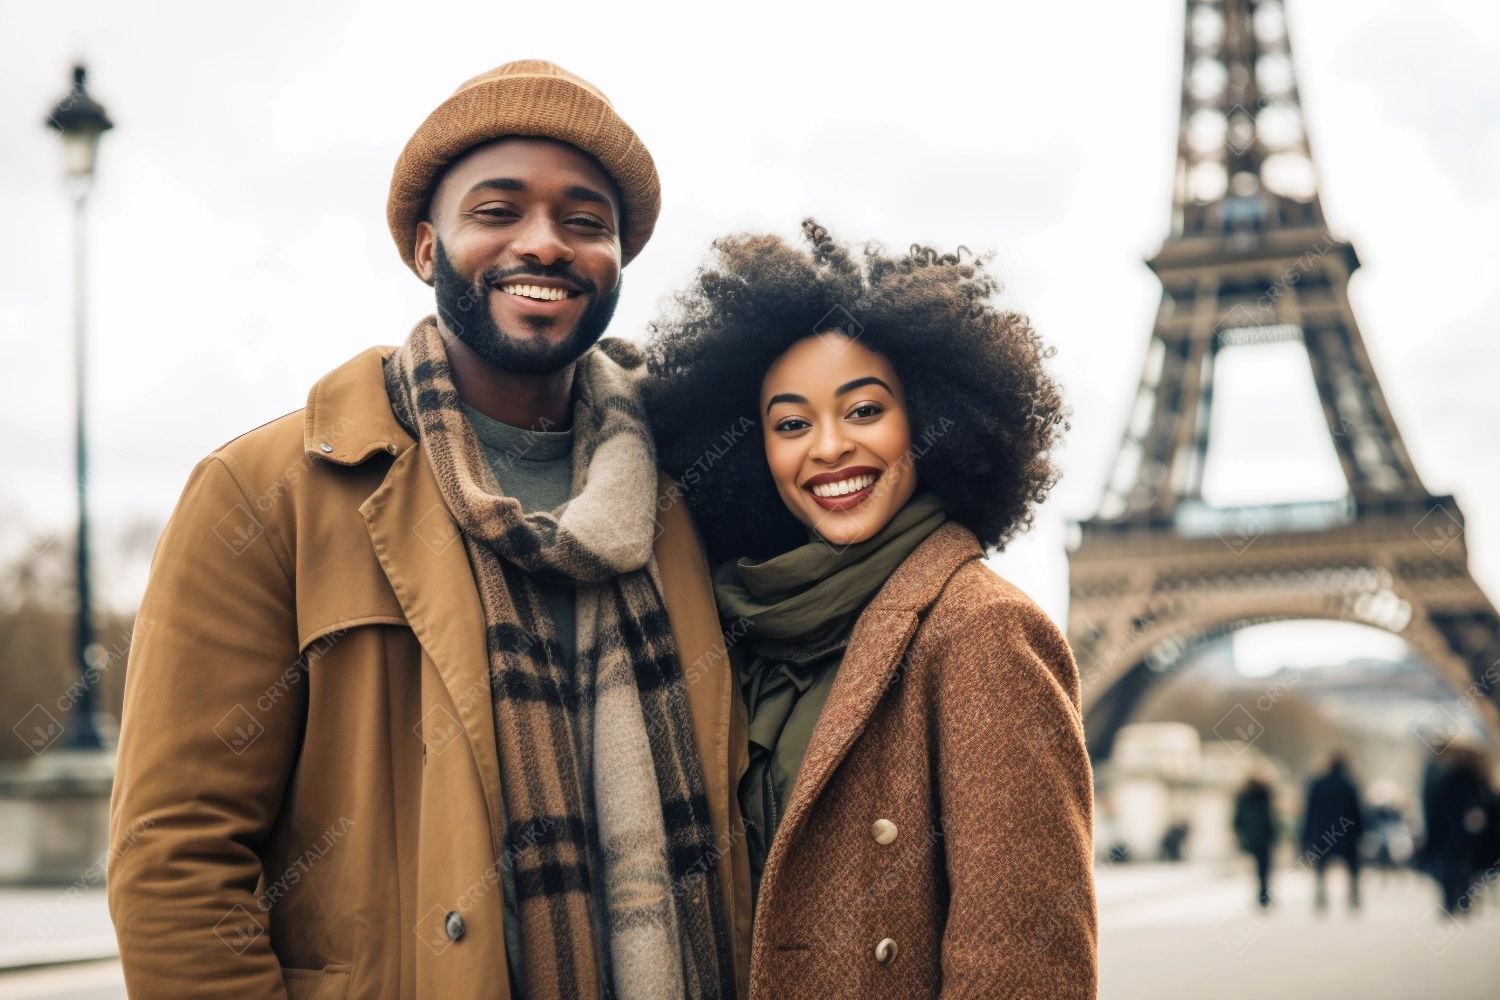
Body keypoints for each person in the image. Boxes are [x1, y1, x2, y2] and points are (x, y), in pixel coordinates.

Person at [107, 61, 749, 999]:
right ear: (424, 246)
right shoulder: (264, 495)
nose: (546, 244)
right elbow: (173, 860)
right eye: (498, 211)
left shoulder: (699, 491)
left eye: (585, 222)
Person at [643, 222, 1095, 998]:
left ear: (926, 420)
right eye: (791, 424)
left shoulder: (981, 629)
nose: (827, 447)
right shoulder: (743, 627)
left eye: (863, 411)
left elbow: (1025, 966)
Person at [1424, 744, 1496, 915]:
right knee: (1465, 866)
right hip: (1467, 831)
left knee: (1451, 866)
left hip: (1449, 832)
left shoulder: (1444, 776)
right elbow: (1487, 802)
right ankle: (1463, 901)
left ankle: (1451, 902)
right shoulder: (1476, 776)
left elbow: (1436, 806)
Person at [1300, 753, 1365, 912]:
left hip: (1323, 831)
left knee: (1322, 865)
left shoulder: (1318, 784)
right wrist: (1360, 832)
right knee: (1351, 865)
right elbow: (1357, 811)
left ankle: (1321, 897)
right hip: (1345, 831)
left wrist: (1306, 835)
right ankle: (1353, 896)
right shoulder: (1349, 784)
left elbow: (1310, 811)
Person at [1232, 774, 1277, 907]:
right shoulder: (1264, 795)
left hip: (1252, 837)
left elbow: (1237, 819)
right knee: (1264, 868)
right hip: (1264, 837)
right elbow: (1270, 817)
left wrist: (1240, 834)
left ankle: (1262, 894)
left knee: (1260, 868)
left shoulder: (1244, 796)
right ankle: (1263, 894)